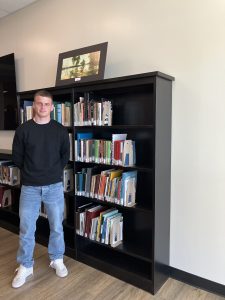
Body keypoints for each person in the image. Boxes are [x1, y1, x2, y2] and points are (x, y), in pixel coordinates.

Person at [12, 90, 70, 288]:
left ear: (52, 107)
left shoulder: (61, 130)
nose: (43, 107)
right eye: (39, 103)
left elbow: (64, 157)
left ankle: (57, 259)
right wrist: (33, 173)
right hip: (30, 187)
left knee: (56, 226)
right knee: (26, 228)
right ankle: (26, 266)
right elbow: (17, 159)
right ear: (34, 106)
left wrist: (51, 173)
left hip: (54, 186)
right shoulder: (23, 130)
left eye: (47, 104)